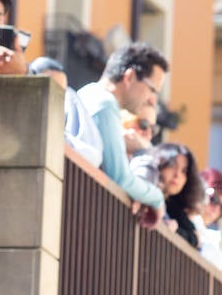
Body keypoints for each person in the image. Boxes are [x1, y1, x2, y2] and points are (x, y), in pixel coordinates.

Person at [69, 42, 169, 221]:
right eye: (152, 89)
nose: (152, 100)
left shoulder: (88, 93)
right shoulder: (105, 104)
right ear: (130, 76)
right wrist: (157, 198)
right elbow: (120, 178)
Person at [130, 143, 202, 246]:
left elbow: (196, 239)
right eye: (173, 165)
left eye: (184, 171)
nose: (177, 175)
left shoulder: (173, 206)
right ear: (159, 161)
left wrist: (176, 230)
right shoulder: (145, 185)